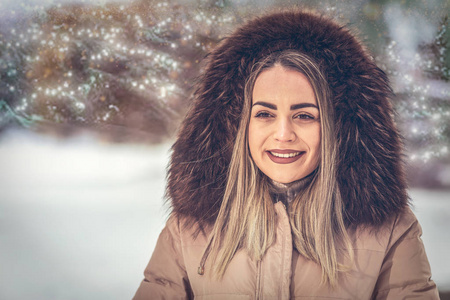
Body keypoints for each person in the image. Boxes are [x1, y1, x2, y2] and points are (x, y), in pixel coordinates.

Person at [133, 9, 439, 299]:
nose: (283, 134)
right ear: (239, 126)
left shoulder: (390, 231)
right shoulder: (187, 230)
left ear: (338, 129)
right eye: (265, 114)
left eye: (305, 116)